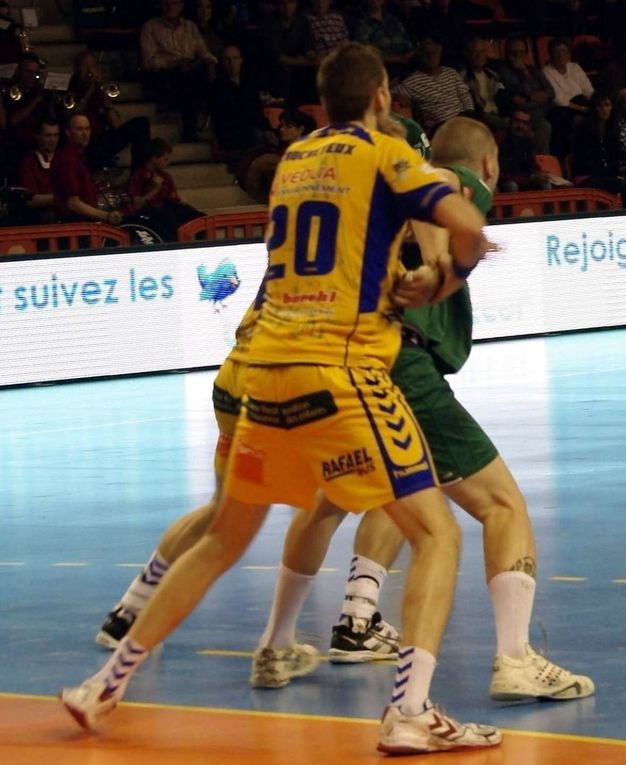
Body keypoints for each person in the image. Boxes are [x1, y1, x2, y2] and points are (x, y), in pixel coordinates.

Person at [60, 42, 501, 755]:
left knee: (226, 533)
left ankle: (101, 684)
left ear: (320, 103)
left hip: (263, 369)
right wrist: (442, 280)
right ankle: (409, 711)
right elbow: (470, 229)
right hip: (340, 369)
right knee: (438, 533)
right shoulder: (386, 156)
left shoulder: (293, 162)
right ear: (384, 97)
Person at [249, 117, 594, 702]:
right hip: (399, 364)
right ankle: (513, 658)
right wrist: (448, 263)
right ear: (489, 166)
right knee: (502, 505)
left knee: (341, 497)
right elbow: (443, 193)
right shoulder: (451, 176)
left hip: (330, 365)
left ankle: (289, 640)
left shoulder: (329, 186)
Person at [140, 0, 218, 141]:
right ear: (162, 5)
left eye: (175, 3)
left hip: (191, 69)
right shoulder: (150, 27)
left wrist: (211, 63)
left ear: (181, 6)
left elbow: (203, 51)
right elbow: (149, 61)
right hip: (165, 73)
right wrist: (174, 63)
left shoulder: (190, 27)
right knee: (189, 80)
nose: (171, 7)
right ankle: (190, 130)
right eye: (167, 3)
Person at [67, 51, 151, 173]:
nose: (90, 71)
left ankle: (138, 176)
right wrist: (89, 91)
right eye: (86, 66)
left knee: (141, 124)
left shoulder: (99, 89)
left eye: (93, 66)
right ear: (77, 68)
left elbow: (116, 124)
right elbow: (73, 113)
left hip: (102, 137)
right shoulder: (71, 86)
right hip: (84, 139)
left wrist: (103, 97)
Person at [392, 35, 474, 135]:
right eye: (427, 54)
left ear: (440, 51)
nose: (431, 57)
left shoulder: (451, 73)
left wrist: (469, 113)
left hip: (461, 121)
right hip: (439, 130)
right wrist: (397, 95)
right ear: (420, 55)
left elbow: (465, 96)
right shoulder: (412, 82)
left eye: (434, 53)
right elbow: (390, 93)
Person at [126, 137, 204, 241]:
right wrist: (155, 189)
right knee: (169, 220)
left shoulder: (165, 176)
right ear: (154, 158)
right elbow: (137, 204)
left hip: (169, 207)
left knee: (201, 218)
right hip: (151, 210)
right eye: (165, 159)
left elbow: (173, 198)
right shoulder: (139, 176)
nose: (168, 162)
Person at [50, 112, 122, 225]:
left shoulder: (78, 158)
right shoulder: (68, 159)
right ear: (68, 132)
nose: (85, 134)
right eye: (79, 129)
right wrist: (106, 216)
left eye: (87, 129)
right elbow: (73, 203)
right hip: (76, 228)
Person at [498, 35, 554, 154]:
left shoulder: (534, 70)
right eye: (513, 52)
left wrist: (533, 96)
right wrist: (524, 74)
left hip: (541, 111)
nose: (518, 56)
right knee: (544, 127)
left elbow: (551, 92)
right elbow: (522, 97)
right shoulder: (504, 72)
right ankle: (541, 161)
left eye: (521, 52)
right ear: (507, 54)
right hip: (521, 113)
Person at [498, 107, 552, 191]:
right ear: (510, 122)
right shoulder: (500, 139)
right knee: (511, 186)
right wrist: (529, 178)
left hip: (525, 179)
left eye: (525, 123)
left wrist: (539, 174)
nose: (520, 126)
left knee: (545, 184)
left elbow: (532, 164)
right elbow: (501, 174)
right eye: (517, 121)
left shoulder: (527, 140)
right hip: (505, 181)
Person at [17, 117, 59, 224]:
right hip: (40, 222)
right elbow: (30, 200)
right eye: (48, 135)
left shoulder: (66, 159)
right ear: (38, 136)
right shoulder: (29, 162)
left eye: (55, 135)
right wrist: (62, 198)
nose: (52, 140)